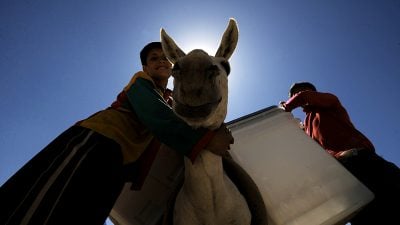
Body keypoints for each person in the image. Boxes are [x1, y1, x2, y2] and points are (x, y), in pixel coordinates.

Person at [0, 42, 234, 225]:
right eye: (154, 59)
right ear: (145, 67)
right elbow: (155, 114)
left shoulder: (171, 99)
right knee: (47, 205)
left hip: (120, 162)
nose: (161, 61)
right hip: (96, 141)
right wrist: (205, 140)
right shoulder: (141, 82)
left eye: (164, 57)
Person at [279, 81, 400, 225]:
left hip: (361, 159)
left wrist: (284, 108)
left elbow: (304, 96)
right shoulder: (307, 124)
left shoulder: (330, 101)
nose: (298, 94)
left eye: (301, 91)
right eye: (295, 94)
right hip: (342, 176)